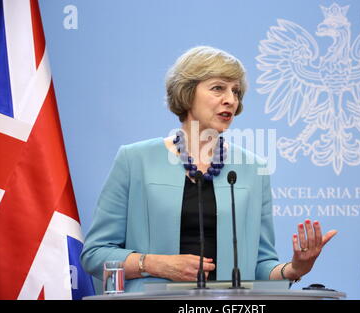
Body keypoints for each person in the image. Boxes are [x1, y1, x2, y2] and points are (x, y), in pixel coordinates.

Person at [80, 46, 337, 293]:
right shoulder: (135, 160)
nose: (230, 100)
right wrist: (157, 264)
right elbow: (95, 255)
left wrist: (294, 268)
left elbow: (259, 266)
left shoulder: (253, 168)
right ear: (187, 93)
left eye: (236, 92)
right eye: (218, 88)